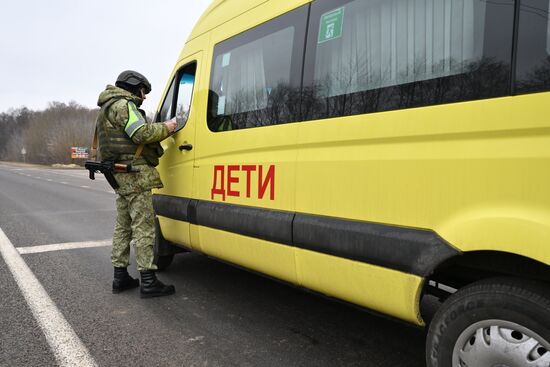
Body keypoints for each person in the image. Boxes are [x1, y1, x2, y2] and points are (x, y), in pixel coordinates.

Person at [96, 70, 177, 298]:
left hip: (119, 174)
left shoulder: (106, 108)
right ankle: (149, 281)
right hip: (135, 174)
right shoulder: (124, 105)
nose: (144, 97)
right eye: (143, 91)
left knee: (123, 226)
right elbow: (140, 133)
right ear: (134, 87)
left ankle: (120, 276)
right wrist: (167, 128)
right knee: (144, 228)